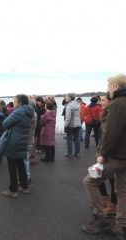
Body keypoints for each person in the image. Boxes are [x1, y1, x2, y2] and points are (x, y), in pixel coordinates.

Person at [82, 74, 126, 239]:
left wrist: (103, 155)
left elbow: (112, 133)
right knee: (123, 191)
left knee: (90, 181)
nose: (107, 90)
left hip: (118, 156)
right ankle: (121, 225)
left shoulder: (118, 104)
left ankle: (100, 218)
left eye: (108, 87)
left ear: (115, 87)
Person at [0, 94, 34, 198]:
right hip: (23, 140)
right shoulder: (29, 111)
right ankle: (24, 187)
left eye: (14, 101)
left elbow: (5, 124)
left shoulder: (18, 111)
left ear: (19, 102)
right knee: (20, 164)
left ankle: (13, 190)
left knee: (12, 165)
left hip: (14, 140)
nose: (13, 102)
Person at [96, 93, 117, 215]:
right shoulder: (105, 114)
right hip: (101, 152)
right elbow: (102, 136)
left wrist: (104, 153)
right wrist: (99, 151)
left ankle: (113, 205)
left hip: (110, 154)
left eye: (103, 100)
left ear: (111, 101)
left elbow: (112, 137)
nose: (101, 102)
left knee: (113, 180)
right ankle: (104, 199)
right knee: (97, 176)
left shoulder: (114, 116)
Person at [63, 93, 81, 158]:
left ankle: (69, 153)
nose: (65, 98)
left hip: (71, 125)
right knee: (76, 139)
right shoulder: (78, 104)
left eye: (66, 97)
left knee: (69, 139)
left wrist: (65, 126)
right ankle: (77, 153)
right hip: (78, 124)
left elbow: (68, 118)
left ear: (70, 98)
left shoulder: (69, 106)